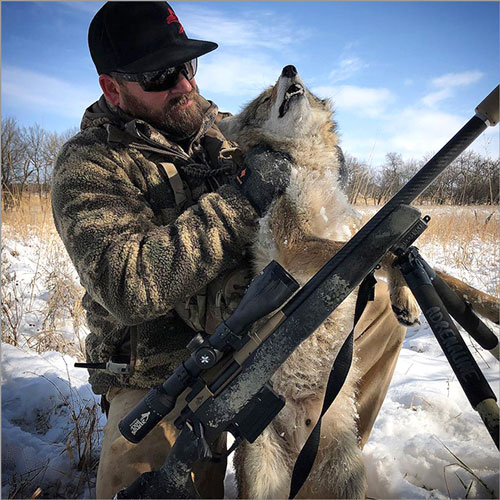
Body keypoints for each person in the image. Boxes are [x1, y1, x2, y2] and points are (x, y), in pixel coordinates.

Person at [52, 2, 406, 498]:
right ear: (112, 88)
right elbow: (127, 284)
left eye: (186, 65)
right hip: (168, 368)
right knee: (143, 485)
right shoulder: (90, 166)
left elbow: (293, 138)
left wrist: (322, 161)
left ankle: (319, 457)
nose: (183, 85)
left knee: (380, 306)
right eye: (158, 76)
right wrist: (241, 198)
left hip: (258, 320)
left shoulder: (215, 123)